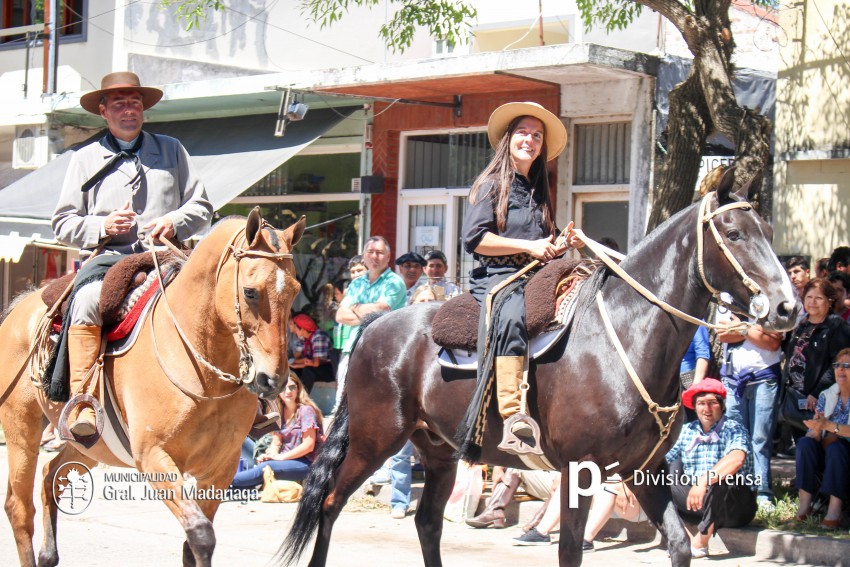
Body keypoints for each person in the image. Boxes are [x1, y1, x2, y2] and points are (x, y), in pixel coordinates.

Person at [51, 72, 213, 437]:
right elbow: (62, 223)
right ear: (104, 112)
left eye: (135, 103)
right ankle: (83, 402)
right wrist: (103, 225)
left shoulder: (172, 149)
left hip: (168, 257)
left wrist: (173, 221)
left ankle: (249, 400)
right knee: (89, 300)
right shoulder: (84, 158)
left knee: (219, 297)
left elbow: (202, 206)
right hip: (109, 259)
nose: (129, 110)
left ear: (144, 111)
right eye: (120, 104)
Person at [461, 101, 576, 450]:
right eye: (523, 132)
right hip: (498, 277)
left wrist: (558, 243)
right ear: (508, 139)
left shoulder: (539, 190)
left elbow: (541, 243)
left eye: (537, 135)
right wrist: (530, 248)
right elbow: (475, 239)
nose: (530, 139)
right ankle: (511, 415)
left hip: (532, 273)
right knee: (512, 315)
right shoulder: (491, 184)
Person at [665, 378, 758, 559]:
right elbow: (664, 458)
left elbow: (736, 459)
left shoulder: (734, 428)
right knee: (659, 476)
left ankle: (700, 543)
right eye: (701, 404)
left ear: (722, 406)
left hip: (734, 507)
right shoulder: (687, 430)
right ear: (694, 407)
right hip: (697, 503)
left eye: (712, 403)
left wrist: (704, 481)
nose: (706, 409)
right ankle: (683, 539)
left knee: (725, 478)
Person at [715, 293, 783, 508]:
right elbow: (722, 334)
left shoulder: (768, 295)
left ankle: (762, 491)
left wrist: (742, 328)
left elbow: (773, 341)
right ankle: (738, 490)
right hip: (733, 380)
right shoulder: (727, 297)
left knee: (760, 438)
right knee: (736, 438)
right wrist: (755, 329)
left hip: (763, 378)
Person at [333, 237, 406, 412]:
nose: (375, 256)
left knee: (375, 406)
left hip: (383, 352)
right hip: (352, 348)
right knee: (342, 404)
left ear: (388, 257)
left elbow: (381, 309)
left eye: (380, 253)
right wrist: (369, 313)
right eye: (370, 252)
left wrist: (355, 308)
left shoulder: (394, 282)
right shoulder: (356, 283)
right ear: (364, 256)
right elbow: (340, 315)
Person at [781, 279, 850, 439]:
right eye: (809, 297)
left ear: (830, 300)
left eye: (818, 298)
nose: (812, 302)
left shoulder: (838, 327)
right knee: (802, 446)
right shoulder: (799, 324)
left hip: (821, 400)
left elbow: (838, 365)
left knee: (818, 445)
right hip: (795, 397)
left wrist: (817, 393)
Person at [231, 374, 323, 489]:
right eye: (283, 388)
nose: (288, 391)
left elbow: (308, 446)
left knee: (267, 467)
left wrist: (280, 457)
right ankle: (225, 485)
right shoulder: (280, 411)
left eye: (292, 387)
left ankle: (223, 482)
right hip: (285, 460)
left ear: (298, 389)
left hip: (306, 462)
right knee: (242, 441)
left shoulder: (306, 411)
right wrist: (271, 454)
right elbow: (277, 441)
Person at [795, 348, 850, 529]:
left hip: (845, 455)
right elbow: (819, 427)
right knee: (805, 443)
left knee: (837, 447)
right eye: (837, 365)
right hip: (828, 451)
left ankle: (834, 511)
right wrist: (815, 430)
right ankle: (804, 506)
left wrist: (829, 427)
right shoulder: (827, 395)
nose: (840, 370)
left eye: (847, 366)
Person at [512, 476, 646, 549]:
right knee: (571, 478)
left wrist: (627, 483)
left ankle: (584, 540)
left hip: (638, 506)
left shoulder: (646, 440)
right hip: (607, 502)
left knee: (610, 485)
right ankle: (541, 533)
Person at [466, 466, 558, 529]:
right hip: (550, 480)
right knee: (516, 464)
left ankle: (540, 520)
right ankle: (494, 511)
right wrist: (498, 467)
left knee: (567, 480)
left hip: (565, 486)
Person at [288, 313, 334, 394]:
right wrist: (298, 364)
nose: (294, 330)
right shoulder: (303, 338)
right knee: (292, 370)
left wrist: (301, 363)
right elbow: (297, 359)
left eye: (296, 327)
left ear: (302, 329)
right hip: (313, 366)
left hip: (327, 369)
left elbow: (316, 363)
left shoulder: (319, 336)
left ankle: (303, 398)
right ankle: (291, 393)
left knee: (308, 371)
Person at [680, 327, 711, 421]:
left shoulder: (697, 324)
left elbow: (702, 354)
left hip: (686, 381)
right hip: (665, 382)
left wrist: (695, 387)